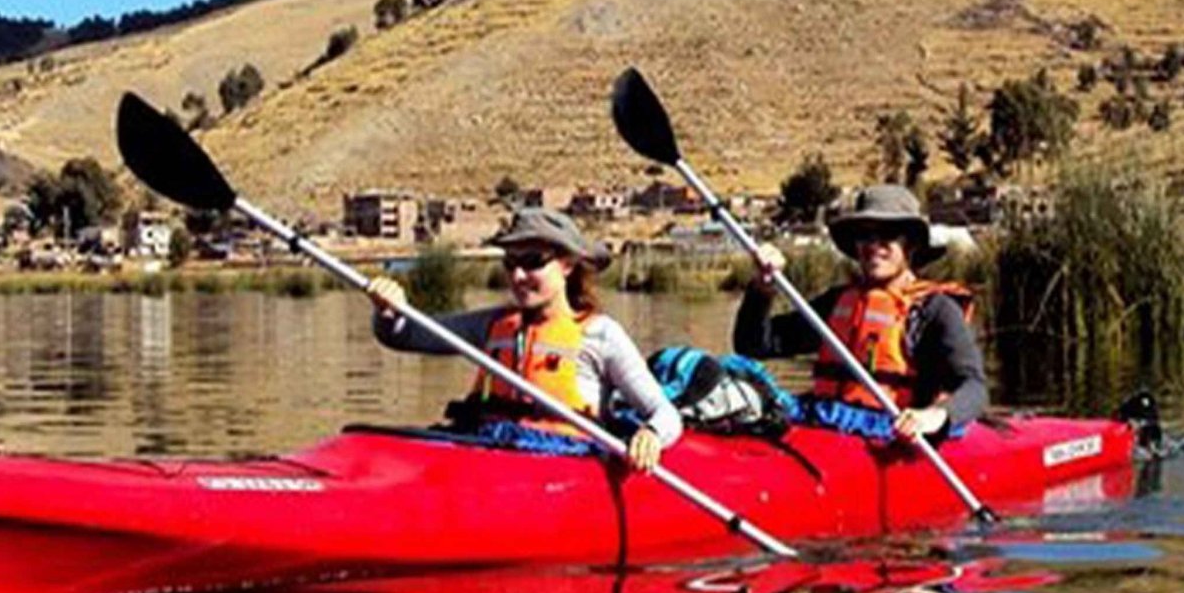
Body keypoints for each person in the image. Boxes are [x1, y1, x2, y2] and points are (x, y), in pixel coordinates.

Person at [367, 207, 681, 472]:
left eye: (532, 261)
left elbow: (666, 415)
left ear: (567, 264)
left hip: (562, 463)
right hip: (488, 448)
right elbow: (403, 336)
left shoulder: (601, 335)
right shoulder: (491, 325)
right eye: (510, 263)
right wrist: (388, 310)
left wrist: (651, 435)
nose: (517, 276)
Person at [733, 185, 986, 443]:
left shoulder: (935, 310)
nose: (874, 245)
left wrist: (936, 415)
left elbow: (974, 387)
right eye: (864, 236)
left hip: (892, 434)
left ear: (909, 244)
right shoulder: (837, 303)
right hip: (824, 425)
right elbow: (753, 344)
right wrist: (762, 289)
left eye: (887, 234)